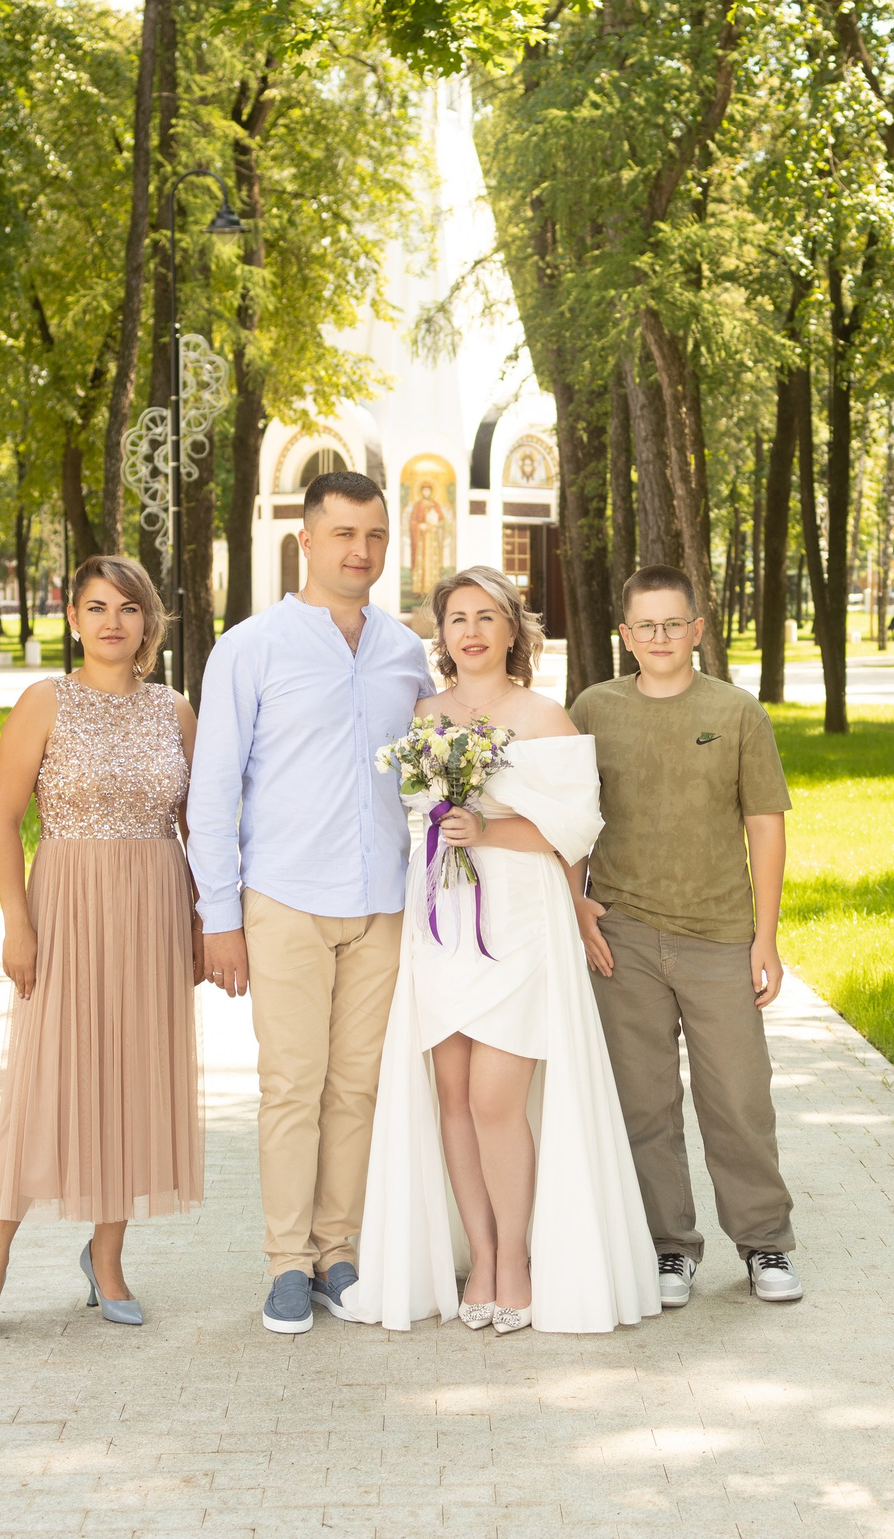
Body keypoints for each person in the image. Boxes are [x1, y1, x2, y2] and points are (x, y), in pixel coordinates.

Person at [342, 568, 658, 1336]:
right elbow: (409, 815)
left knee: (494, 1097)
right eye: (457, 618)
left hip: (516, 915)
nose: (472, 630)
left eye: (488, 616)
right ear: (441, 634)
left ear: (515, 629)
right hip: (440, 915)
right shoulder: (423, 714)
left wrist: (487, 828)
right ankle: (478, 1255)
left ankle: (516, 1258)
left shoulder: (544, 716)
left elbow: (574, 831)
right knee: (449, 1093)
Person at [189, 470, 434, 1334]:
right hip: (285, 898)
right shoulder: (251, 647)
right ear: (307, 541)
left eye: (373, 535)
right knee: (292, 1085)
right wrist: (218, 916)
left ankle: (339, 1252)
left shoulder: (406, 651)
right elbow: (212, 790)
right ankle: (286, 1261)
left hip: (382, 901)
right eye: (343, 535)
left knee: (358, 1087)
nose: (360, 551)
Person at [0, 556, 202, 1346]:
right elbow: (2, 822)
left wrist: (202, 918)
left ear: (147, 622)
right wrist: (15, 921)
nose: (112, 622)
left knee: (131, 1074)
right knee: (45, 1076)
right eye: (96, 606)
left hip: (154, 905)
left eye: (128, 608)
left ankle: (108, 1254)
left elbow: (200, 825)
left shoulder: (176, 711)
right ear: (73, 616)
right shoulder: (43, 702)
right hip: (65, 903)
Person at [572, 564, 804, 1308]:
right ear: (626, 636)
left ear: (698, 630)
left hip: (718, 936)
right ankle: (668, 1247)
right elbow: (570, 816)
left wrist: (764, 938)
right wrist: (578, 907)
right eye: (647, 625)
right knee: (643, 1103)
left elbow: (764, 825)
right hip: (624, 936)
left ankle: (765, 1240)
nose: (662, 637)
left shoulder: (736, 712)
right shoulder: (594, 709)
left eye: (675, 623)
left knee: (737, 1095)